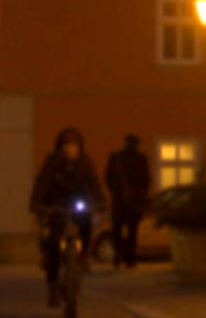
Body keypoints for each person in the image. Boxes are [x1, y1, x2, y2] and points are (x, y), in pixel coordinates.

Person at [29, 127, 105, 307]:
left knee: (86, 226)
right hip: (57, 207)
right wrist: (38, 203)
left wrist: (99, 201)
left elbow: (94, 185)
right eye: (67, 146)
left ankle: (83, 257)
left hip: (78, 206)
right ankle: (53, 286)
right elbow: (42, 184)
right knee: (53, 243)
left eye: (74, 146)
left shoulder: (85, 164)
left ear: (79, 148)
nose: (71, 149)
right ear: (61, 147)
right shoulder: (52, 163)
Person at [104, 133, 151, 270]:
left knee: (117, 231)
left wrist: (116, 191)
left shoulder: (116, 157)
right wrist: (141, 193)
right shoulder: (141, 158)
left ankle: (118, 257)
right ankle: (130, 259)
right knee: (132, 231)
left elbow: (108, 178)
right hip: (134, 201)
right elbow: (146, 180)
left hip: (119, 200)